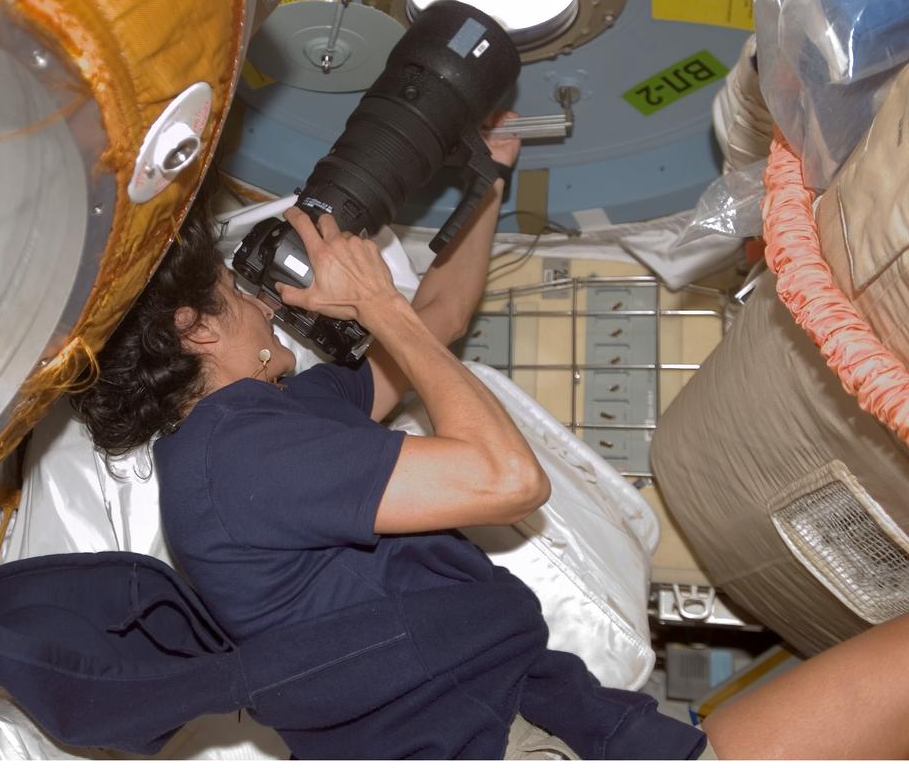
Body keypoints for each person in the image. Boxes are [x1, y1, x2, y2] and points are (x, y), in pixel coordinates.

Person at [64, 116, 909, 760]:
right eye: (234, 291)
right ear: (195, 329)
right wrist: (375, 306)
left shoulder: (263, 432)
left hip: (535, 710)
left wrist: (491, 171)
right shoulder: (236, 456)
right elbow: (509, 479)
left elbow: (440, 318)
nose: (261, 301)